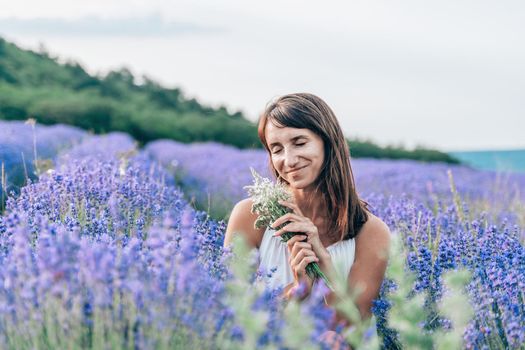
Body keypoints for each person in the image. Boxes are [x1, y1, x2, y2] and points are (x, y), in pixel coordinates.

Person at [224, 93, 390, 347]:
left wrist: (324, 265)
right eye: (276, 149)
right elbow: (230, 316)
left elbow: (353, 333)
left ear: (327, 141)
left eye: (299, 142)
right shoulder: (250, 217)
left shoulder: (371, 232)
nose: (288, 160)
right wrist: (297, 290)